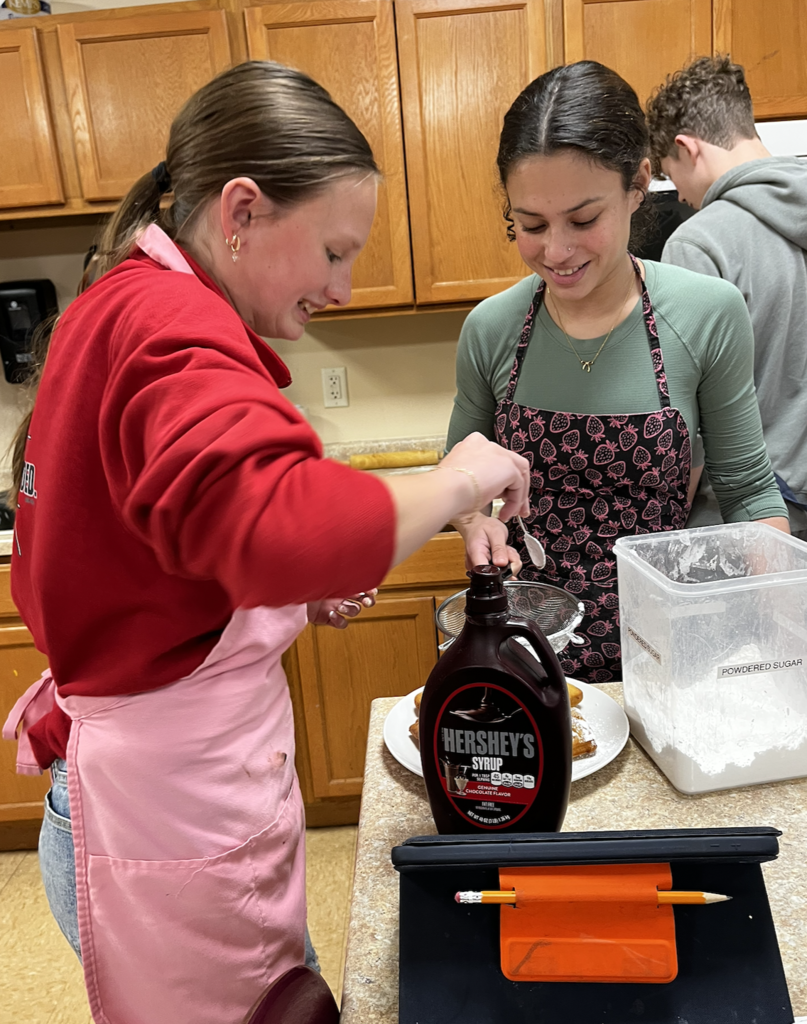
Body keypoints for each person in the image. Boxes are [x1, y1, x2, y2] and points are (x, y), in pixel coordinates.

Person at [2, 61, 530, 1024]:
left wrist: (276, 593)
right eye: (332, 250)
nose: (344, 283)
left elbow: (178, 539)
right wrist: (457, 480)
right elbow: (270, 523)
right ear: (241, 210)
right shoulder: (174, 330)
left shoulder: (116, 303)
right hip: (168, 825)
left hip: (136, 800)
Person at [446, 60, 789, 685]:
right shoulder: (492, 330)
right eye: (529, 225)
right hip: (523, 646)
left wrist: (780, 629)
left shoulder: (706, 313)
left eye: (582, 220)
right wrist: (476, 522)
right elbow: (460, 483)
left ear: (639, 183)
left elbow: (750, 495)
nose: (556, 251)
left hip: (669, 651)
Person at [646, 55, 807, 539]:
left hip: (747, 516)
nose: (683, 198)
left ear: (686, 147)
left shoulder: (699, 244)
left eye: (673, 178)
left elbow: (683, 421)